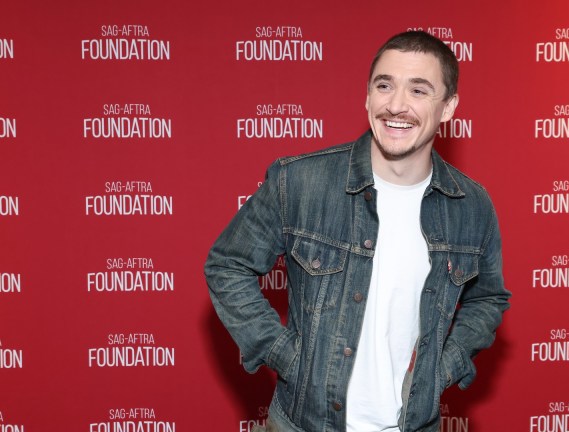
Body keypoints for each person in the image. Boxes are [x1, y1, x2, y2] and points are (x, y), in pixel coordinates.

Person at [205, 30, 510, 432]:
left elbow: (488, 299)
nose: (396, 105)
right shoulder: (298, 181)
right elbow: (228, 265)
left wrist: (443, 367)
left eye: (419, 91)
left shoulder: (471, 206)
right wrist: (287, 356)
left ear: (449, 106)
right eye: (384, 85)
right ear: (368, 96)